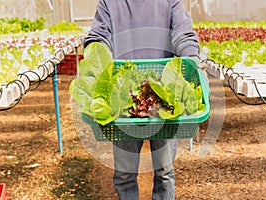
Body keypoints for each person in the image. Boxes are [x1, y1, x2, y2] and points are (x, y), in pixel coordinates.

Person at [83, 1, 205, 199]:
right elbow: (99, 35)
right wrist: (97, 57)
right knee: (124, 174)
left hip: (164, 95)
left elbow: (182, 32)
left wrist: (191, 56)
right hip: (122, 98)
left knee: (164, 172)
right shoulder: (109, 2)